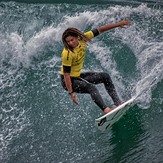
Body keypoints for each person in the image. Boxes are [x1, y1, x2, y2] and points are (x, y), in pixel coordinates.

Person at [59, 20, 132, 114]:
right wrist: (71, 92)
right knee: (91, 87)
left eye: (72, 40)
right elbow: (66, 74)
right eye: (68, 41)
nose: (70, 43)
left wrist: (118, 24)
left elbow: (100, 29)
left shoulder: (83, 38)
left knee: (105, 77)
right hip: (68, 81)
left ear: (77, 37)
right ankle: (106, 110)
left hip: (77, 76)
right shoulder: (67, 53)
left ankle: (118, 104)